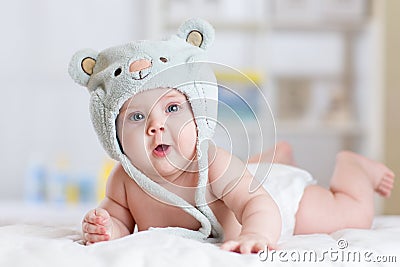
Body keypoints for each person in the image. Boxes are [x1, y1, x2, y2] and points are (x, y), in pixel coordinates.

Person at [68, 19, 395, 254]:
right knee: (242, 174)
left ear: (199, 117)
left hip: (276, 200)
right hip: (244, 178)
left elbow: (257, 202)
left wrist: (256, 233)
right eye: (137, 117)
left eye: (172, 109)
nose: (156, 126)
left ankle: (352, 168)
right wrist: (106, 228)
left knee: (350, 214)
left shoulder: (212, 162)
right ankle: (273, 156)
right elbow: (120, 221)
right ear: (114, 135)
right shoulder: (125, 180)